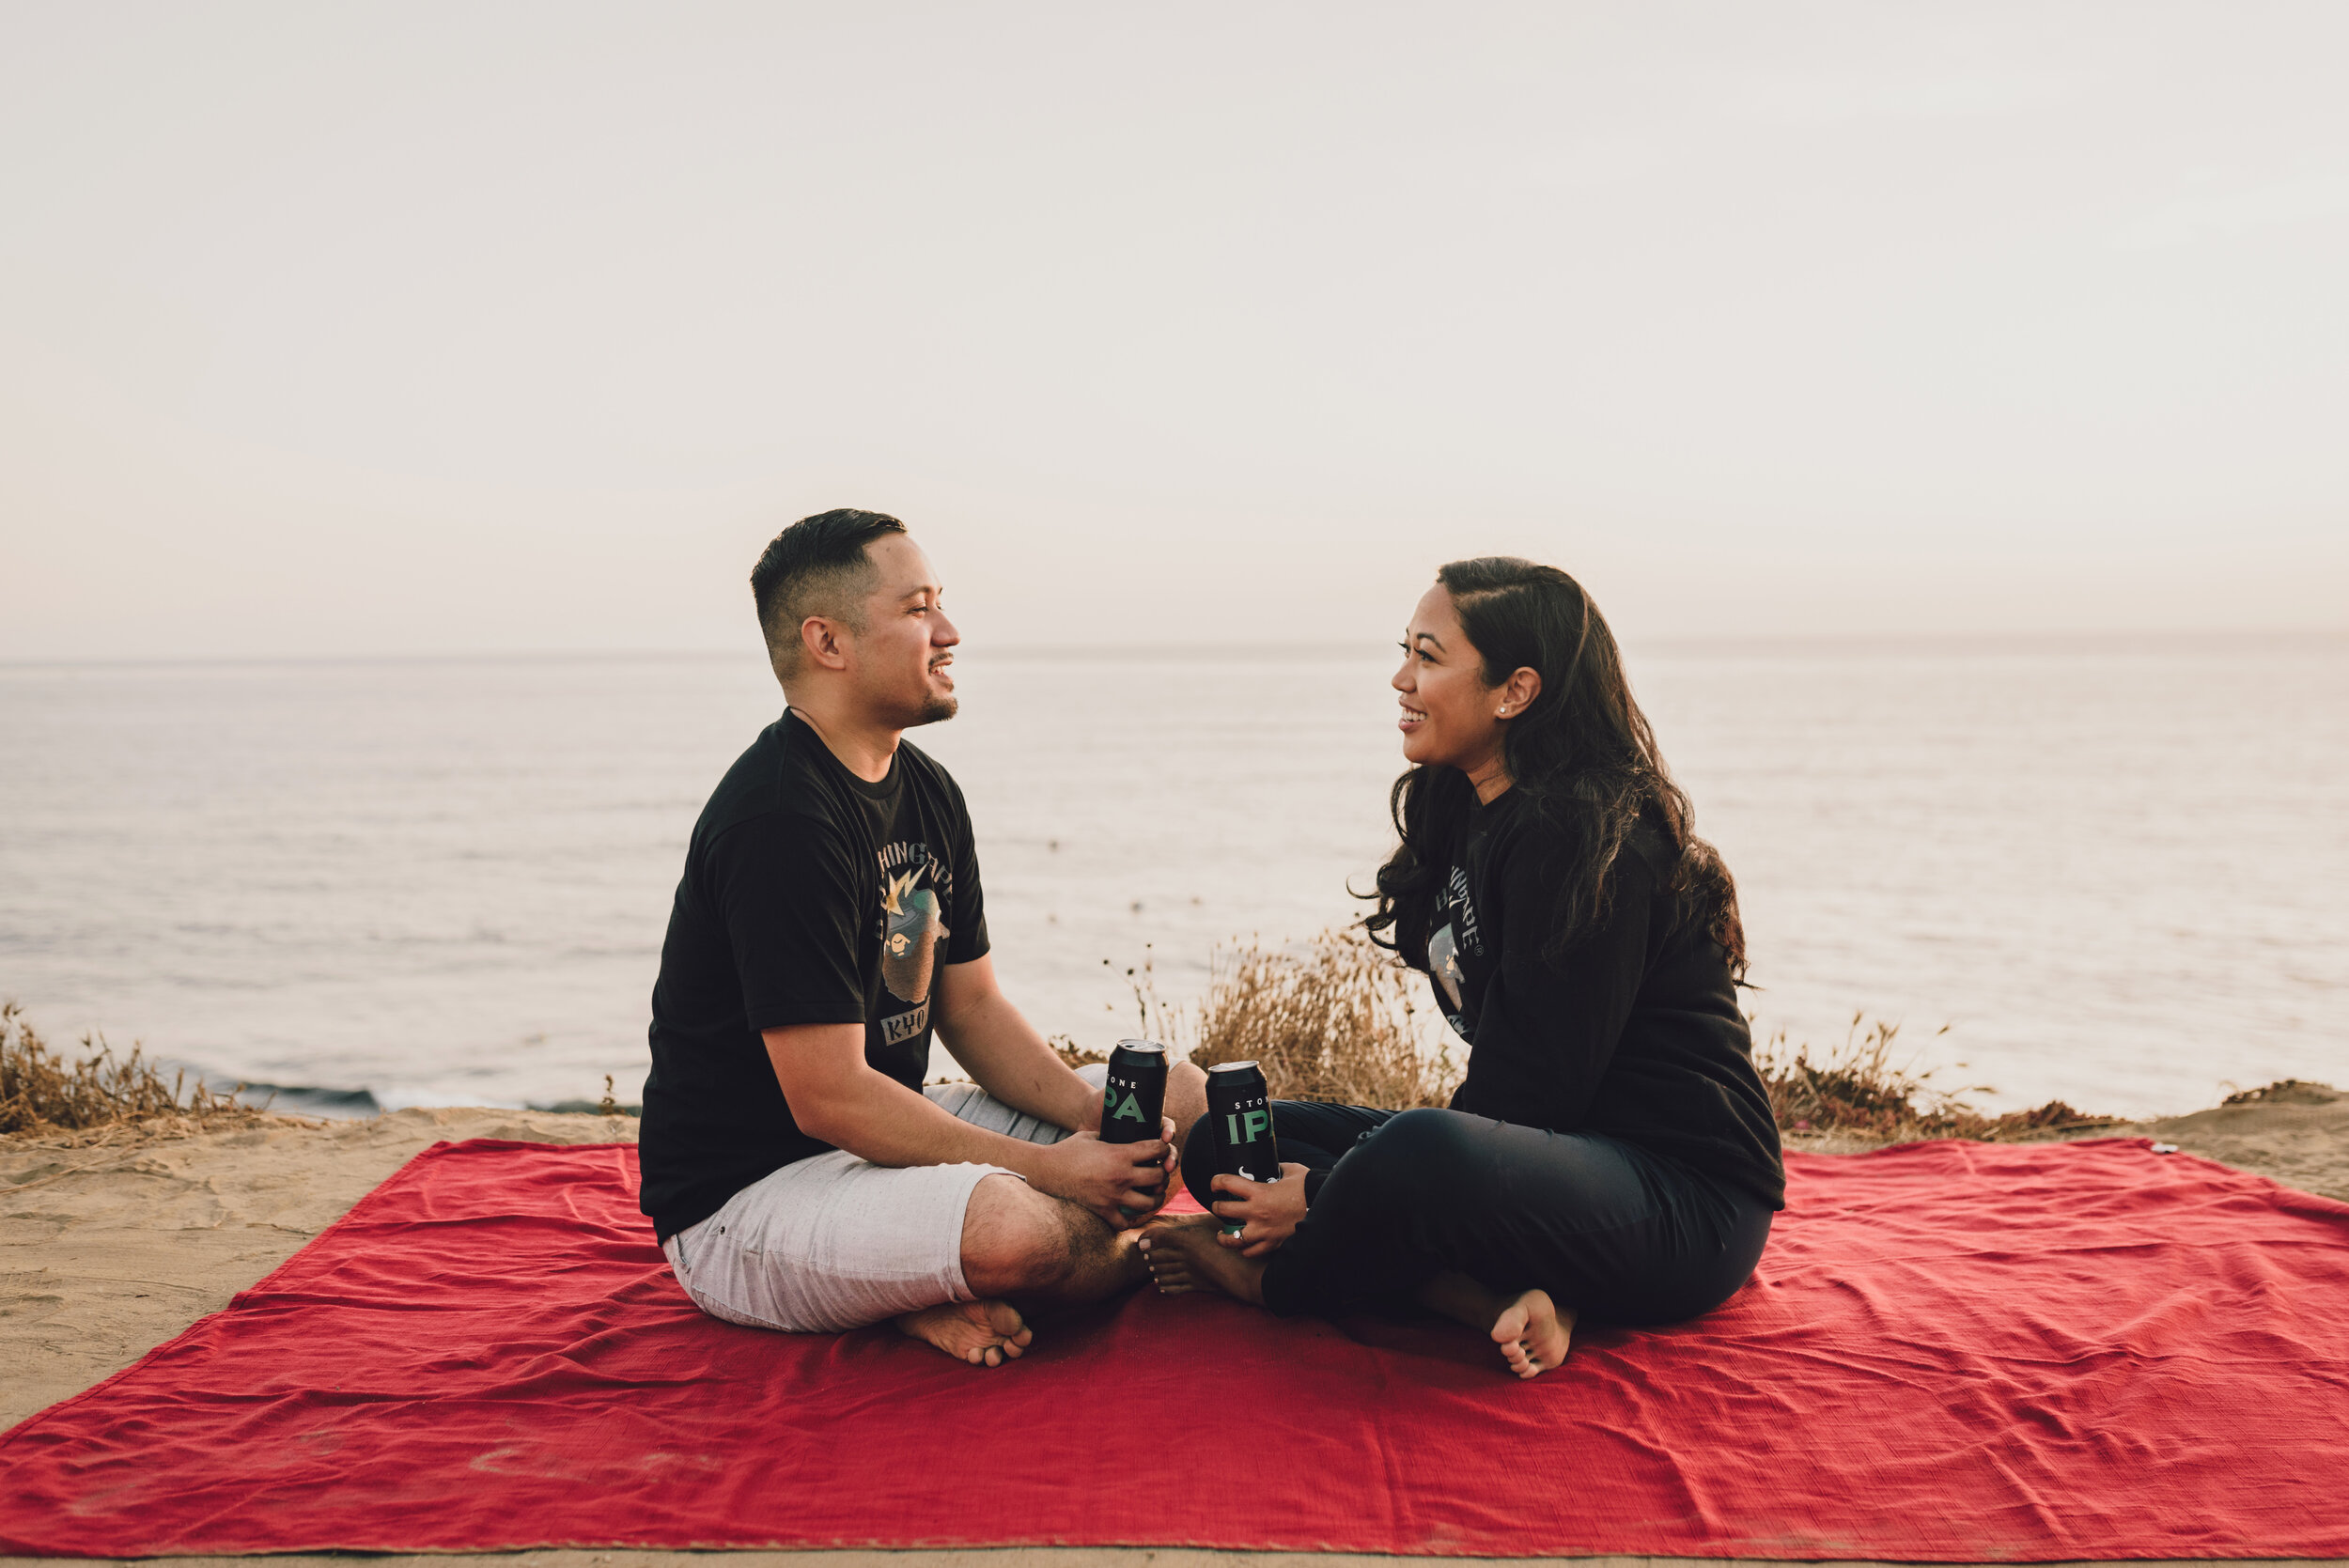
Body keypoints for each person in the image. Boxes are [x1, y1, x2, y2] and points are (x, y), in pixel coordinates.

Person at [1143, 557, 1784, 1378]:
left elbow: (1525, 1100)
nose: (1401, 678)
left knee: (1416, 1153)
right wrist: (1339, 1180)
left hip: (1683, 1202)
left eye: (1429, 656)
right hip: (1559, 1165)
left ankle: (1271, 1283)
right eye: (1405, 650)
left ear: (1514, 691)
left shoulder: (1587, 839)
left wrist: (1315, 1198)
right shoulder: (1465, 804)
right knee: (1225, 1147)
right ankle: (1498, 1295)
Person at [638, 508, 1170, 1367]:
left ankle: (913, 1282)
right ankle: (936, 1279)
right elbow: (831, 1097)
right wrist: (1061, 1174)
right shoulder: (779, 817)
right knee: (1021, 1231)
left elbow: (975, 1006)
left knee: (1163, 1103)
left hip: (883, 1147)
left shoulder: (927, 789)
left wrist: (1096, 1126)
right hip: (750, 1199)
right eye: (919, 608)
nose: (950, 632)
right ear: (829, 641)